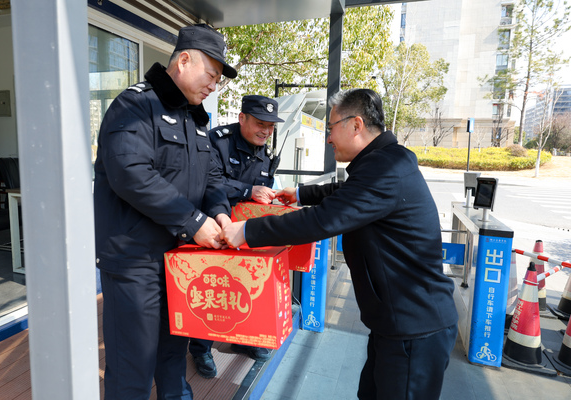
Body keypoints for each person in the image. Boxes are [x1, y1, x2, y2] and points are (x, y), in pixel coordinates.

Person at [221, 88, 459, 400]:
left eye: (331, 128)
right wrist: (300, 193)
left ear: (356, 125)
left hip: (414, 328)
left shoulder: (386, 170)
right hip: (396, 323)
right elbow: (346, 193)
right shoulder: (385, 163)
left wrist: (246, 231)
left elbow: (322, 220)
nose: (328, 138)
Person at [93, 24, 237, 400]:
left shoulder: (196, 119)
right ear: (184, 61)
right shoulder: (134, 105)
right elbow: (130, 173)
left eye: (218, 80)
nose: (213, 86)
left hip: (180, 261)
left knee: (173, 357)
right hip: (135, 263)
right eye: (211, 75)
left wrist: (220, 213)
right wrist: (194, 221)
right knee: (133, 369)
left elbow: (212, 178)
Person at [188, 95, 284, 378]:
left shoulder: (267, 154)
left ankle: (243, 337)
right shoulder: (217, 141)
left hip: (244, 232)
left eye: (271, 126)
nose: (266, 131)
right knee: (211, 285)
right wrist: (248, 190)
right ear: (242, 118)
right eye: (260, 124)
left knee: (244, 283)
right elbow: (209, 182)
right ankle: (201, 347)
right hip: (211, 227)